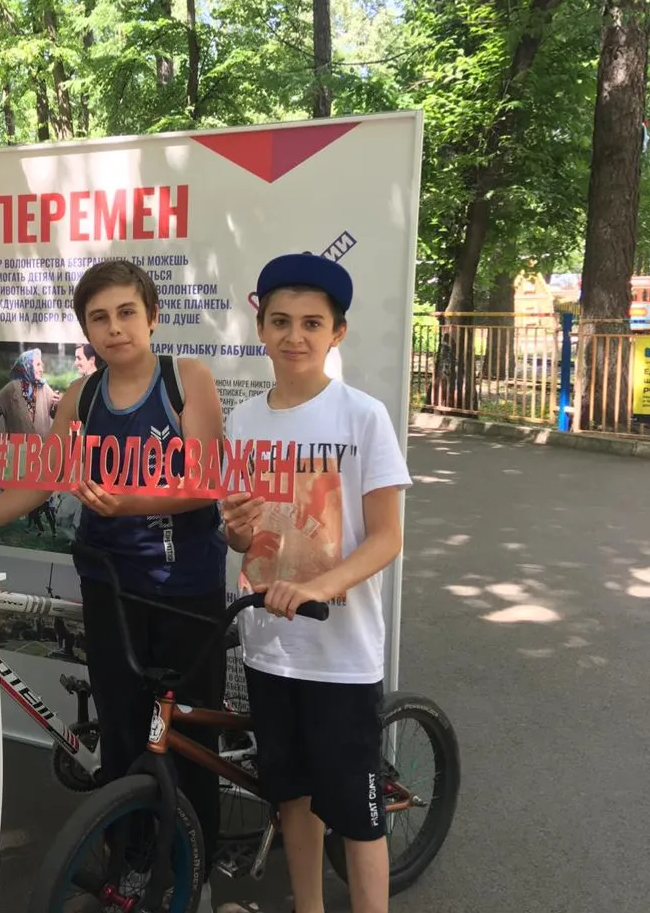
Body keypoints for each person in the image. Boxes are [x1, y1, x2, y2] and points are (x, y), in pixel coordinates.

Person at [0, 259, 227, 913]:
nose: (115, 328)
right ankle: (132, 862)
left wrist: (130, 503)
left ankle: (196, 867)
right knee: (125, 731)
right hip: (110, 586)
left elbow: (207, 482)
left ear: (152, 316)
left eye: (126, 313)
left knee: (187, 737)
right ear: (86, 330)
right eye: (99, 318)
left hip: (184, 589)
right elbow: (36, 484)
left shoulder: (185, 378)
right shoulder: (82, 396)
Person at [220, 254, 410, 913]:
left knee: (357, 814)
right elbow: (241, 538)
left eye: (311, 323)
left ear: (337, 332)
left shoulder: (363, 416)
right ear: (261, 328)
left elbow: (387, 537)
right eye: (280, 321)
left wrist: (321, 587)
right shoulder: (244, 421)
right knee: (292, 799)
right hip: (269, 649)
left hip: (340, 657)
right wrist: (235, 532)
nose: (294, 336)